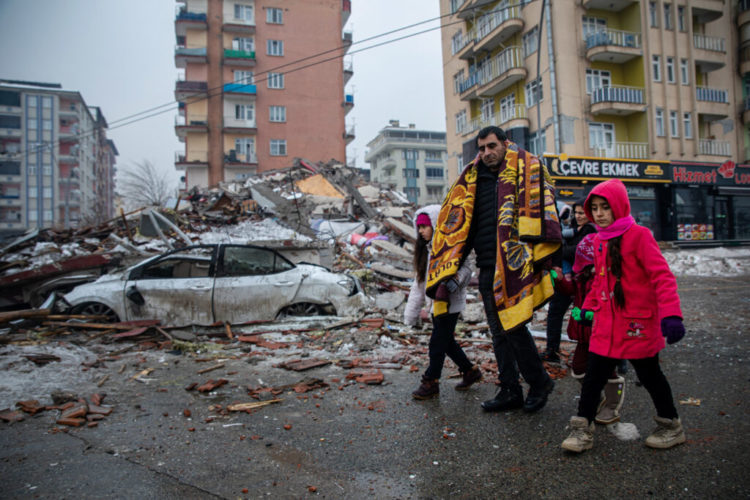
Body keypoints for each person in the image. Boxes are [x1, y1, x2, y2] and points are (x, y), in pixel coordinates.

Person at [426, 126, 562, 413]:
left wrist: (551, 260)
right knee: (499, 333)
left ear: (504, 144)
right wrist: (450, 262)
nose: (487, 153)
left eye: (491, 146)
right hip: (487, 267)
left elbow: (547, 212)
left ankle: (539, 382)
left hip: (515, 265)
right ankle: (510, 389)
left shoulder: (526, 169)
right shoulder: (472, 179)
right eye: (482, 148)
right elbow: (461, 223)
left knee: (514, 328)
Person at [561, 179, 686, 453]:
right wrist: (588, 307)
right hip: (606, 325)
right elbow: (600, 280)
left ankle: (671, 426)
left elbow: (662, 277)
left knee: (650, 375)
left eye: (605, 207)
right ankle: (582, 429)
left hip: (636, 325)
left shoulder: (639, 235)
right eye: (594, 208)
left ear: (618, 206)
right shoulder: (599, 240)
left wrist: (671, 315)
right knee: (593, 379)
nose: (599, 214)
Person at [404, 205, 481, 399]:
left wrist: (453, 284)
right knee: (446, 342)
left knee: (437, 343)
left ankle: (431, 381)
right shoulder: (425, 251)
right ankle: (470, 371)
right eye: (419, 227)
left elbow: (467, 269)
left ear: (436, 225)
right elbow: (419, 285)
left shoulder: (452, 247)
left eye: (425, 226)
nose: (421, 231)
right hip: (434, 305)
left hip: (450, 304)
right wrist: (411, 314)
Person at [554, 232, 624, 425]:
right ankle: (595, 395)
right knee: (578, 368)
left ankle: (612, 405)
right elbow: (571, 290)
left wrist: (592, 315)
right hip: (584, 333)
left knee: (607, 372)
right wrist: (559, 280)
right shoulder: (581, 277)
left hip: (602, 332)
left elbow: (611, 302)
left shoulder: (606, 277)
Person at [542, 200, 597, 362]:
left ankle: (611, 358)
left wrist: (564, 251)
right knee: (555, 312)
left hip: (585, 281)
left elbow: (577, 251)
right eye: (576, 213)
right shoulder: (572, 228)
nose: (578, 216)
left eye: (582, 213)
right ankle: (552, 350)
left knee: (586, 317)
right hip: (570, 280)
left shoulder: (592, 230)